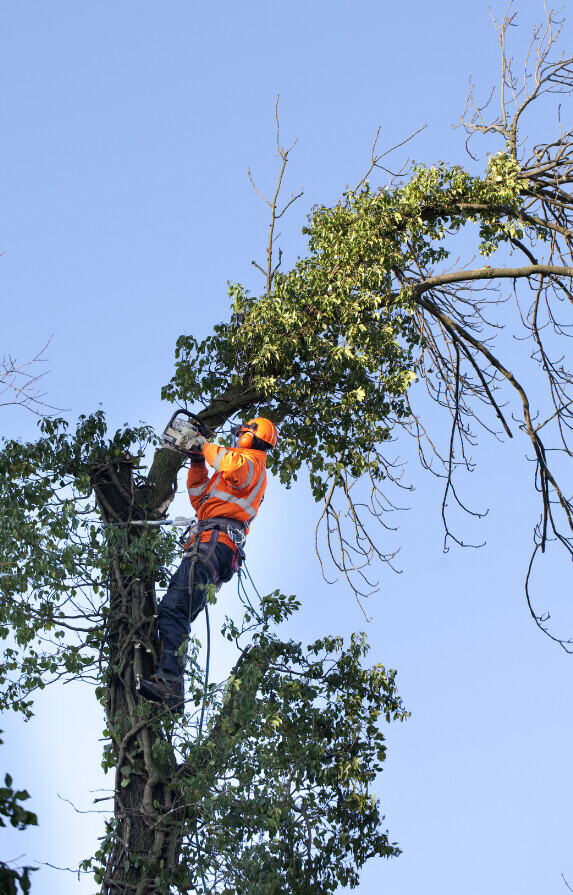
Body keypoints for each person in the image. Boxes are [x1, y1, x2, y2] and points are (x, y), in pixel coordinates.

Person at [139, 416, 278, 711]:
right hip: (211, 540)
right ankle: (170, 686)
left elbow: (230, 464)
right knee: (177, 611)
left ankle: (170, 684)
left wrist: (205, 446)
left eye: (241, 433)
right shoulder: (232, 467)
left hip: (216, 542)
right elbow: (199, 498)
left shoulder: (250, 463)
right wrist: (198, 461)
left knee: (175, 606)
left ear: (249, 437)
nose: (236, 437)